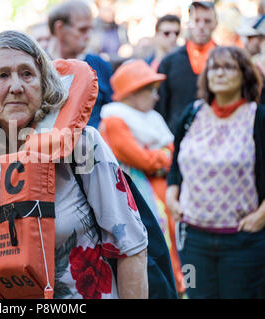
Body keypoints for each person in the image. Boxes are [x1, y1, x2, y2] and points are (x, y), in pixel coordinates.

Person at [0, 30, 148, 299]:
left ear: (44, 84)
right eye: (2, 75)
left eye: (27, 74)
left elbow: (132, 246)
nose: (16, 87)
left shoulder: (83, 146)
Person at [166, 46, 265, 298]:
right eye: (214, 67)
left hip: (242, 241)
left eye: (228, 67)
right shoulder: (192, 114)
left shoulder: (258, 118)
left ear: (245, 75)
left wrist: (261, 215)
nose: (219, 73)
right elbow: (177, 164)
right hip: (193, 241)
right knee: (197, 295)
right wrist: (171, 196)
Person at [99, 59, 185, 296]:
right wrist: (162, 159)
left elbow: (173, 152)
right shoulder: (115, 120)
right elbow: (142, 159)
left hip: (163, 196)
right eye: (150, 90)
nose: (156, 97)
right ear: (134, 92)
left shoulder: (152, 118)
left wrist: (161, 158)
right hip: (139, 199)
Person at [48, 0, 114, 129]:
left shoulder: (99, 65)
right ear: (59, 29)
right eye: (82, 30)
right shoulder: (38, 65)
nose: (88, 36)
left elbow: (113, 110)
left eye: (90, 29)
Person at [155, 1, 217, 132]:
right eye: (196, 20)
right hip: (177, 138)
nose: (201, 26)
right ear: (188, 23)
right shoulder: (169, 62)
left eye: (207, 21)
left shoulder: (226, 61)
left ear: (215, 24)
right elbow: (160, 107)